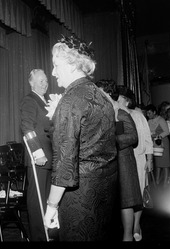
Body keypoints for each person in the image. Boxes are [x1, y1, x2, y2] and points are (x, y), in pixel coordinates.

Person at [44, 35, 118, 241]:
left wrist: (51, 206)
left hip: (80, 200)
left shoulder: (70, 101)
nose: (53, 72)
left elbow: (65, 164)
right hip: (105, 194)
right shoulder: (102, 96)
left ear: (70, 64)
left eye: (56, 65)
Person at [96, 80, 143, 241]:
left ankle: (128, 236)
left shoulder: (121, 113)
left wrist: (111, 140)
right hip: (109, 163)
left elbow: (133, 137)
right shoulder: (103, 112)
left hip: (123, 162)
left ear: (108, 94)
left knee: (126, 201)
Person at [19, 69, 53, 241]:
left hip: (50, 159)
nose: (44, 84)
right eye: (40, 81)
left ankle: (48, 234)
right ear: (31, 83)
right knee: (37, 202)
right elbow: (27, 128)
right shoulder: (30, 100)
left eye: (46, 81)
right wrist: (37, 153)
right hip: (39, 159)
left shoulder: (46, 101)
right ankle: (39, 237)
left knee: (48, 201)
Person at [117, 85, 153, 241]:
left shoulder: (138, 115)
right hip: (122, 160)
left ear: (126, 100)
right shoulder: (116, 115)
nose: (115, 100)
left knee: (137, 194)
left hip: (138, 159)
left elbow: (147, 138)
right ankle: (127, 230)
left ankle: (137, 225)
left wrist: (150, 159)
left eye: (118, 98)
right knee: (126, 197)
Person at [145, 104, 170, 188]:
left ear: (154, 112)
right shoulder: (148, 121)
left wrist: (157, 135)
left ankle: (165, 182)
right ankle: (157, 180)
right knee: (158, 163)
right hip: (155, 144)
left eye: (149, 113)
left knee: (165, 163)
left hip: (163, 143)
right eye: (147, 113)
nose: (148, 115)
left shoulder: (161, 120)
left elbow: (167, 132)